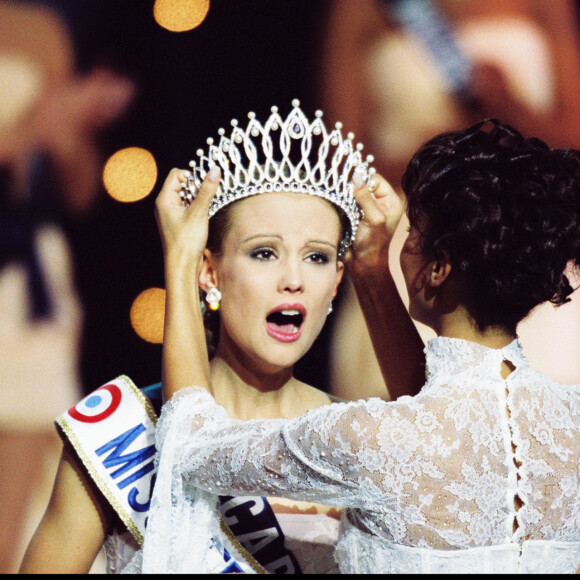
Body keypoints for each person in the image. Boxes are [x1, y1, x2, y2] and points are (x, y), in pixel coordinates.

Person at [132, 119, 580, 573]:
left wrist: (181, 253)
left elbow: (189, 445)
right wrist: (370, 267)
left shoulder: (368, 438)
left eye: (411, 236)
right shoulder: (572, 423)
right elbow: (442, 419)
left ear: (437, 269)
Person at [19, 101, 425, 574]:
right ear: (210, 271)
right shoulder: (120, 430)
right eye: (264, 253)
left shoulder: (358, 437)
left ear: (336, 280)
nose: (292, 279)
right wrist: (180, 257)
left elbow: (446, 440)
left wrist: (374, 270)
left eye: (315, 258)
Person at [320, 0, 580, 399]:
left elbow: (573, 141)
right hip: (414, 236)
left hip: (529, 240)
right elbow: (340, 160)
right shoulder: (364, 8)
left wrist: (508, 106)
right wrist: (442, 154)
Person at [0, 1, 134, 572]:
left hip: (27, 284)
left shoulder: (44, 28)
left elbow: (79, 192)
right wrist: (36, 125)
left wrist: (72, 132)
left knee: (27, 452)